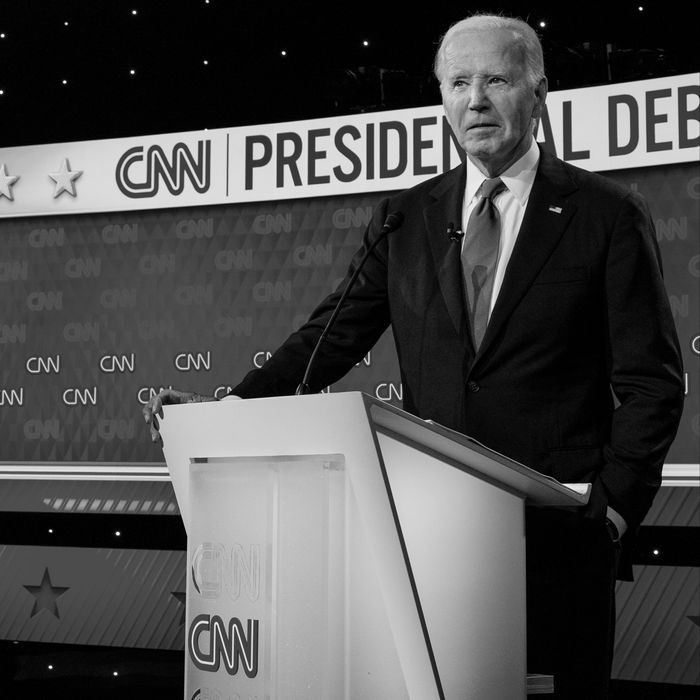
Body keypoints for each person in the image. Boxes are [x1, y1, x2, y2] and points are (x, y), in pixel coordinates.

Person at [143, 13, 684, 698]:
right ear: (441, 100)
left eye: (496, 79)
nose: (476, 100)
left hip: (558, 541)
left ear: (538, 90)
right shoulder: (406, 217)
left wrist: (612, 507)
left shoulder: (605, 214)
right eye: (458, 83)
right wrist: (233, 409)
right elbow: (328, 340)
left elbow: (652, 380)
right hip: (429, 537)